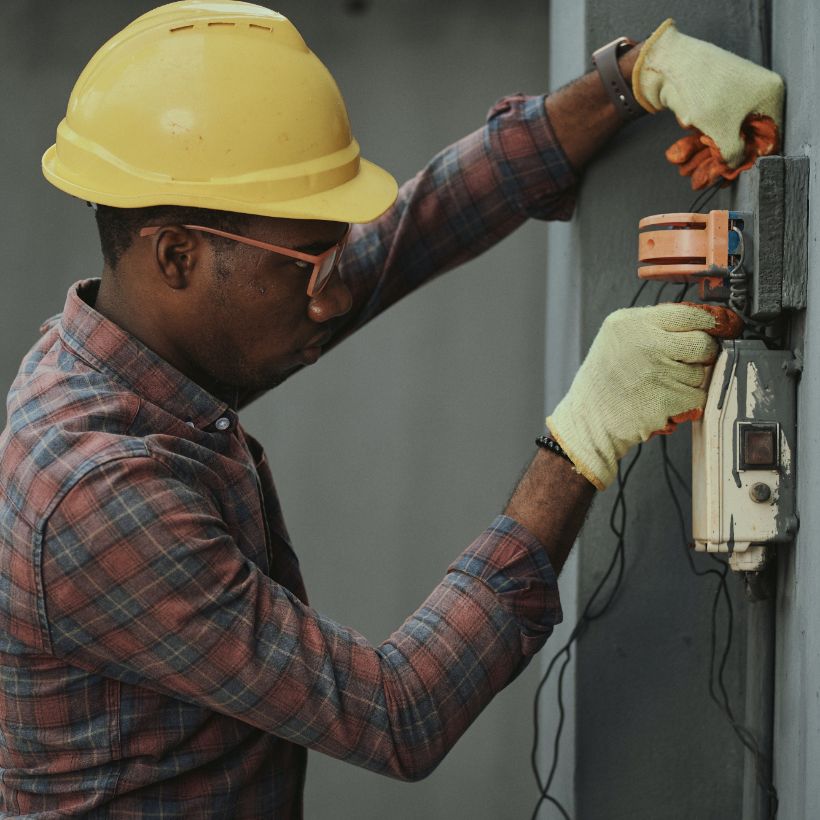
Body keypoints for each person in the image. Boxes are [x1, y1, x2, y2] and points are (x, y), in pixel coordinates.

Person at [0, 2, 784, 817]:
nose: (332, 290)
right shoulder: (97, 494)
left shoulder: (128, 355)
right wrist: (582, 439)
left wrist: (633, 79)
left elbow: (409, 234)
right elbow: (397, 713)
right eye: (310, 261)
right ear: (177, 256)